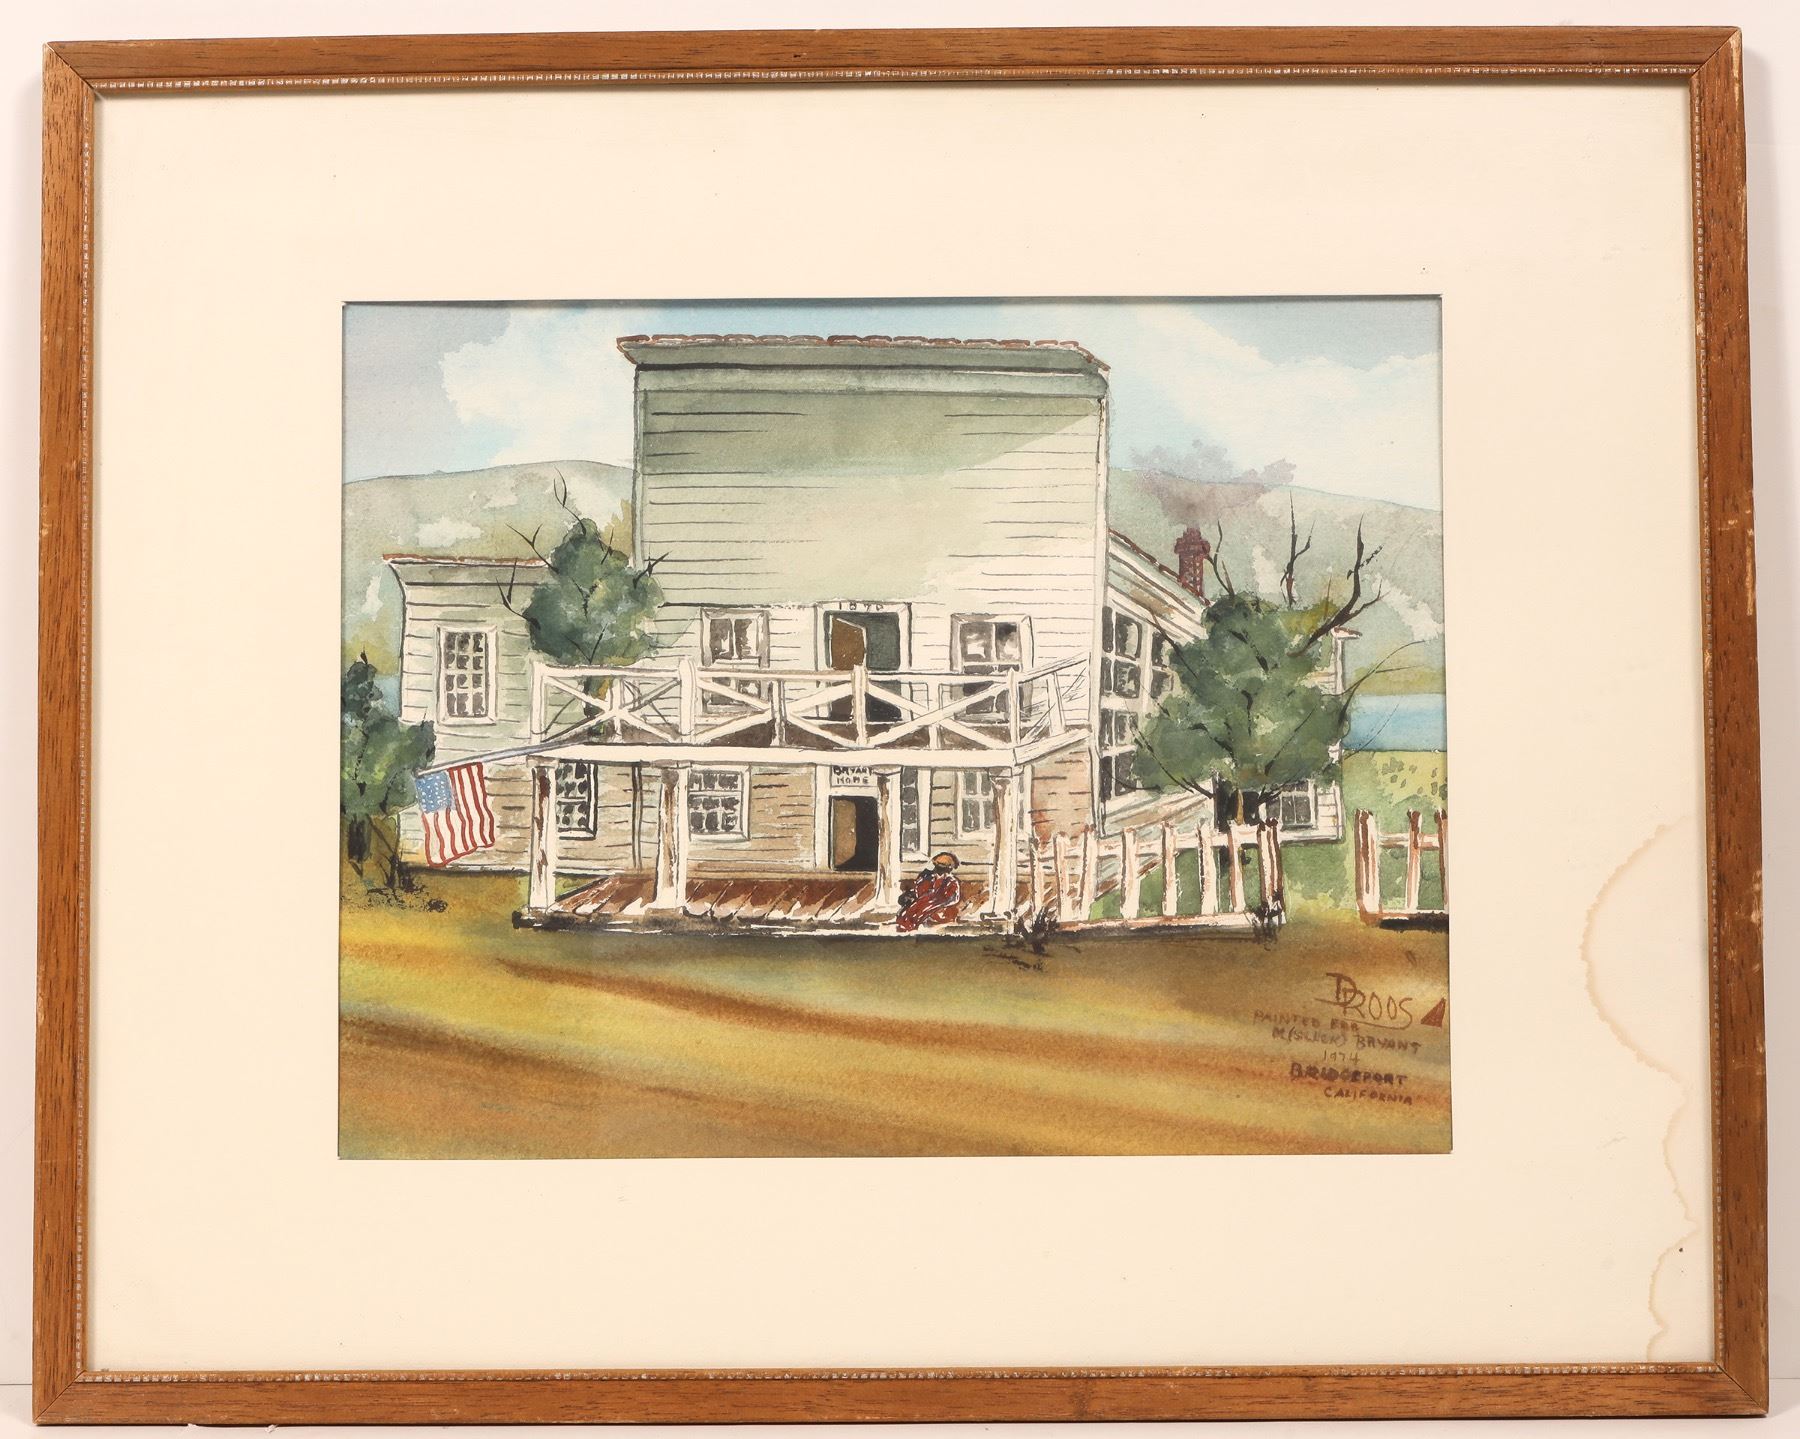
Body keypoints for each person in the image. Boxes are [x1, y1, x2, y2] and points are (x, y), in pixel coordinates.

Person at [896, 852, 962, 932]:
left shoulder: (951, 881)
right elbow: (920, 891)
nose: (937, 870)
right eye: (937, 866)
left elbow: (953, 898)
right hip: (926, 902)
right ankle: (906, 923)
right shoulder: (929, 878)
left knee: (925, 909)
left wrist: (937, 902)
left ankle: (912, 924)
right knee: (916, 908)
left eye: (942, 867)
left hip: (940, 906)